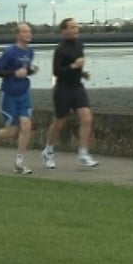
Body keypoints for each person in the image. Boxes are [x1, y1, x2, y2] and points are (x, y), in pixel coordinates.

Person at [0, 22, 39, 174]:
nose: (28, 34)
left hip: (24, 93)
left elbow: (25, 71)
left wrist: (31, 71)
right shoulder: (10, 52)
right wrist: (14, 74)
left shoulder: (30, 52)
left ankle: (19, 163)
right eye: (25, 32)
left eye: (30, 31)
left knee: (26, 125)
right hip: (9, 95)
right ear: (18, 35)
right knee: (12, 131)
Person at [42, 17, 99, 168]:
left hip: (77, 87)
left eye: (76, 27)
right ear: (64, 30)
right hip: (63, 89)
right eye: (72, 27)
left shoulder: (80, 45)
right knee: (59, 121)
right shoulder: (60, 49)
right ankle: (48, 150)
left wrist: (82, 73)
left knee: (87, 117)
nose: (76, 29)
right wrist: (74, 66)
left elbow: (78, 67)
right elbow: (57, 71)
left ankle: (83, 153)